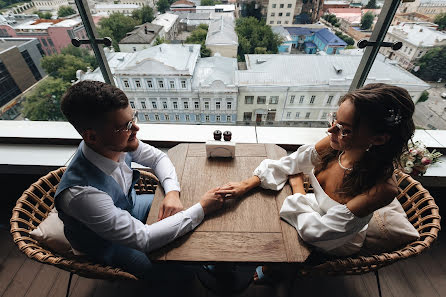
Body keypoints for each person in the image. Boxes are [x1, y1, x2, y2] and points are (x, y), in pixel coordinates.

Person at [215, 83, 415, 282]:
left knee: (270, 234)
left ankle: (273, 270)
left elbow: (317, 232)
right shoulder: (335, 144)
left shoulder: (381, 189)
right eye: (334, 121)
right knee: (256, 214)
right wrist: (247, 184)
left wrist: (297, 188)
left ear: (378, 139)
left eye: (344, 129)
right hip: (311, 209)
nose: (330, 131)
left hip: (334, 237)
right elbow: (290, 164)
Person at [55, 80, 226, 280]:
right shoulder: (81, 195)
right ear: (92, 137)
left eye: (133, 117)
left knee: (185, 204)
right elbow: (144, 239)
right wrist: (203, 208)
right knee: (167, 268)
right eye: (126, 125)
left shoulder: (112, 142)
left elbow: (157, 157)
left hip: (130, 207)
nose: (136, 128)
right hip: (106, 243)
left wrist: (172, 192)